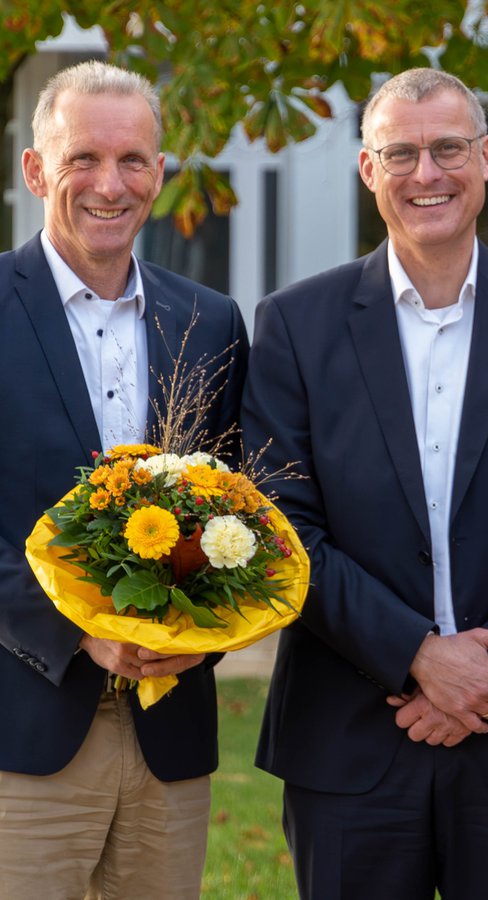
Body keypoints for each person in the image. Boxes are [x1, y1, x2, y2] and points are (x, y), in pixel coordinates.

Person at [241, 68, 488, 900]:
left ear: (485, 157)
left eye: (447, 149)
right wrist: (416, 655)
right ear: (368, 171)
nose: (426, 174)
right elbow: (280, 524)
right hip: (348, 734)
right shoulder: (296, 325)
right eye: (399, 153)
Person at [0, 61, 247, 898]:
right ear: (36, 170)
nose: (111, 184)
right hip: (22, 731)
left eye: (134, 160)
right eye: (83, 159)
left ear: (161, 175)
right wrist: (78, 630)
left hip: (169, 740)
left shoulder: (210, 322)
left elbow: (237, 515)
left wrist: (201, 626)